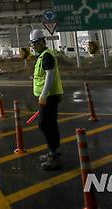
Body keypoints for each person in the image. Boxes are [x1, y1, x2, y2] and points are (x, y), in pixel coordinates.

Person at [29, 29, 64, 170]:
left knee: (44, 125)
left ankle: (54, 157)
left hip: (49, 97)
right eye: (32, 43)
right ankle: (53, 151)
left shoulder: (47, 56)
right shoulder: (42, 56)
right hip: (47, 96)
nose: (33, 46)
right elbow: (43, 75)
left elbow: (49, 76)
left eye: (35, 43)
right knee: (50, 124)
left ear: (42, 42)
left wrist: (43, 94)